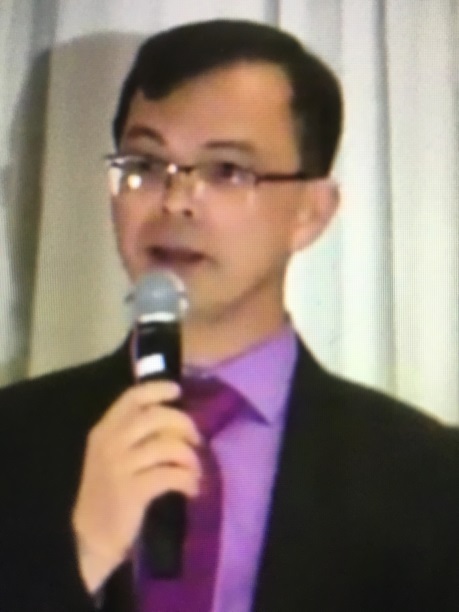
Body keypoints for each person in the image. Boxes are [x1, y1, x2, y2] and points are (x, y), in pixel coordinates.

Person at [1, 18, 459, 612]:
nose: (175, 202)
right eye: (145, 164)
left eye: (227, 171)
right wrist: (79, 556)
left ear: (311, 212)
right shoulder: (14, 440)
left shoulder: (428, 477)